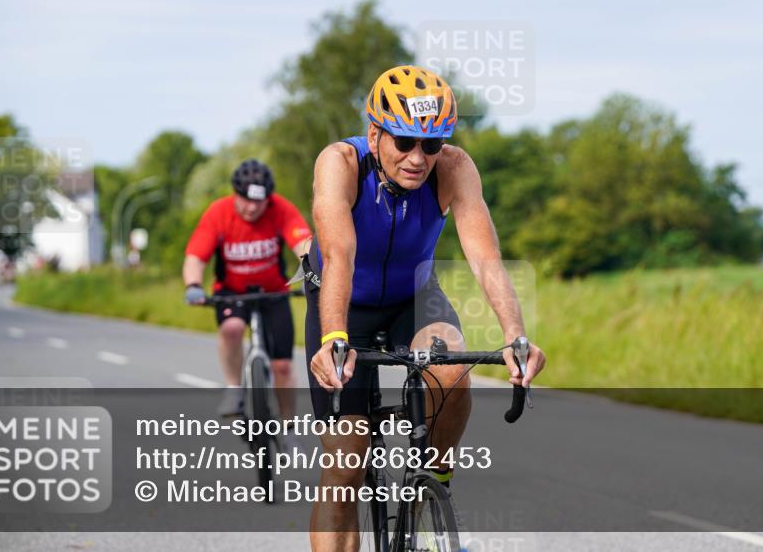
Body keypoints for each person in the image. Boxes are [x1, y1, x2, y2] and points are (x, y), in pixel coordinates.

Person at [304, 65, 546, 551]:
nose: (418, 158)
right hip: (343, 299)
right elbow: (339, 256)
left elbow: (486, 259)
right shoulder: (340, 163)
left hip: (413, 295)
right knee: (346, 463)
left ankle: (434, 489)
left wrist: (516, 336)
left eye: (431, 144)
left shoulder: (454, 168)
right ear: (375, 134)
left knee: (451, 371)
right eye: (404, 142)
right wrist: (334, 339)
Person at [183, 159, 312, 418]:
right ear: (235, 194)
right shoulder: (218, 212)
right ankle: (233, 388)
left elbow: (304, 246)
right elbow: (196, 256)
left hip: (274, 292)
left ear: (268, 198)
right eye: (246, 200)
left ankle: (288, 428)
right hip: (232, 292)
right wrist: (194, 285)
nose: (252, 208)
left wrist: (314, 271)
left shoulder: (281, 209)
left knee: (283, 366)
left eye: (259, 202)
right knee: (232, 329)